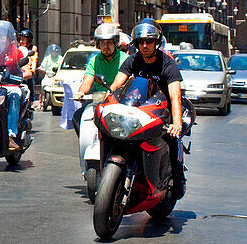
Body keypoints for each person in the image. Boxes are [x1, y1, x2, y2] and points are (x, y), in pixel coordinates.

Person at [109, 21, 186, 199]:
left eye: (149, 41)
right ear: (136, 43)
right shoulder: (133, 60)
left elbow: (175, 97)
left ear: (156, 42)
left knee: (172, 140)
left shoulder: (168, 64)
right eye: (141, 41)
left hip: (161, 112)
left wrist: (177, 123)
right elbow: (116, 85)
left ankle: (177, 177)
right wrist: (107, 102)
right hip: (138, 109)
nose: (144, 46)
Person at [75, 23, 127, 100]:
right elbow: (87, 80)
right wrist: (80, 92)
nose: (106, 46)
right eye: (102, 43)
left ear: (115, 42)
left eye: (109, 42)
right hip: (99, 99)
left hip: (119, 100)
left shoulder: (125, 59)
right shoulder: (94, 60)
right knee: (79, 112)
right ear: (98, 44)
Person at [18, 29, 39, 107]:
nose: (22, 41)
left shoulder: (32, 48)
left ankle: (31, 100)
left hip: (27, 67)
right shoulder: (18, 48)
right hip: (18, 68)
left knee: (30, 81)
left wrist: (31, 68)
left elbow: (32, 59)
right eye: (21, 39)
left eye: (24, 39)